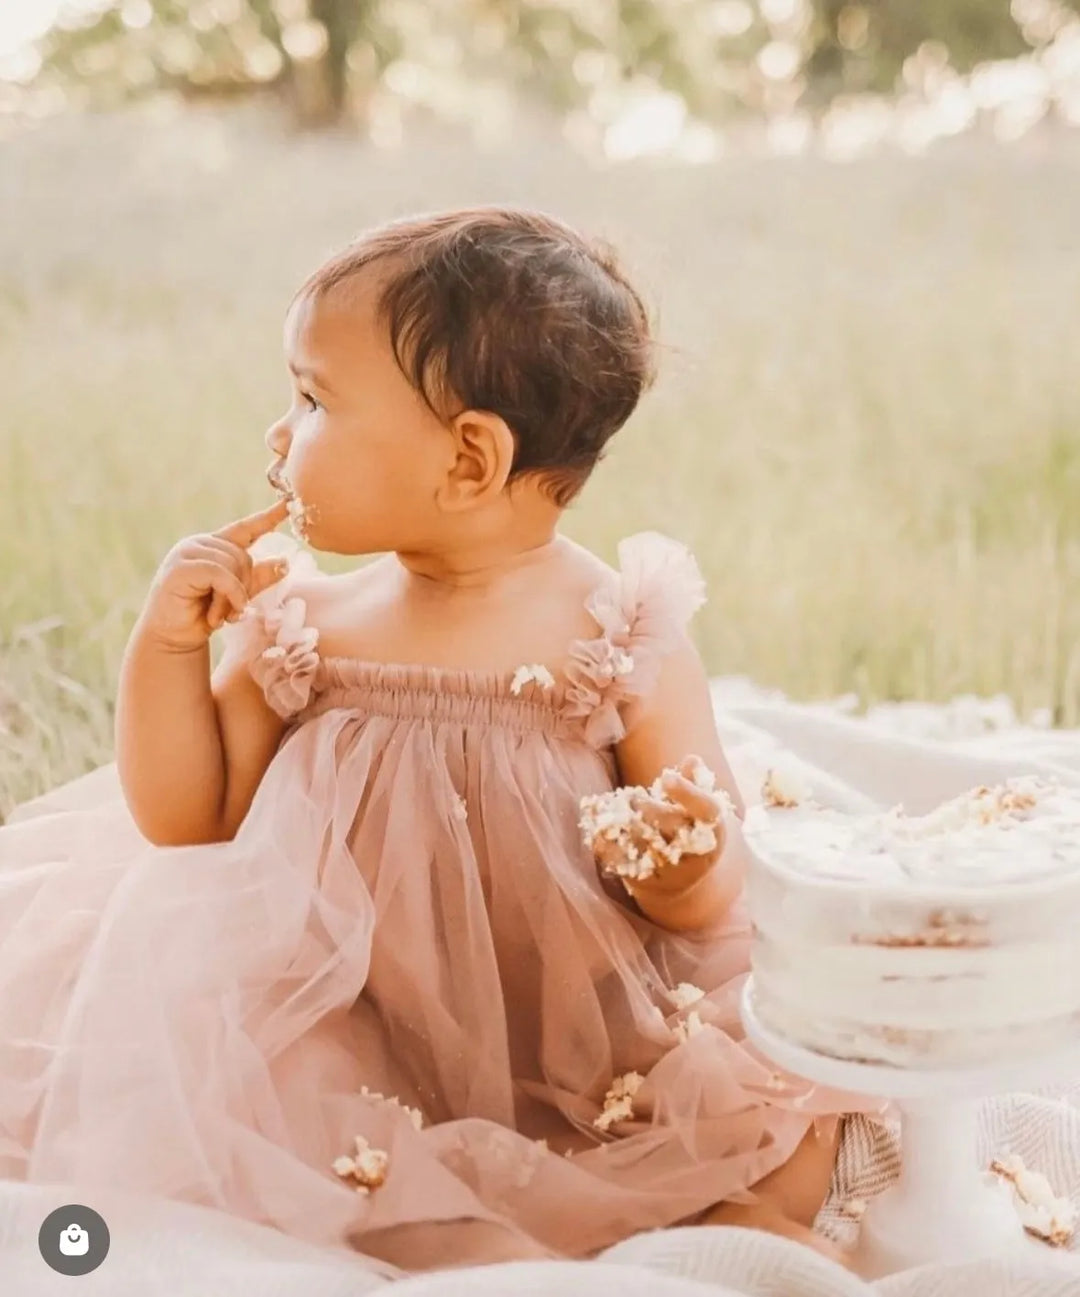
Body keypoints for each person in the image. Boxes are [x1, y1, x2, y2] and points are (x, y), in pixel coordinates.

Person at [0, 207, 864, 1276]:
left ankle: (709, 1235)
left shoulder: (616, 631)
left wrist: (684, 867)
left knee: (760, 1126)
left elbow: (708, 876)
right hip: (353, 1014)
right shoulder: (306, 626)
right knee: (280, 1130)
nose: (279, 434)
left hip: (568, 1025)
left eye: (313, 399)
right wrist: (166, 649)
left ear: (468, 458)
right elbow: (190, 818)